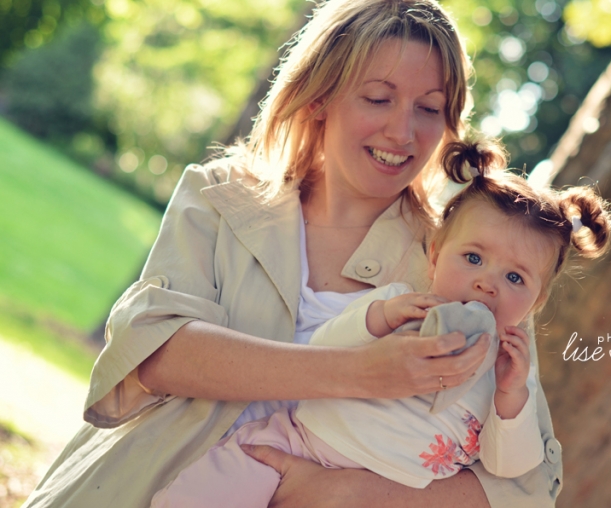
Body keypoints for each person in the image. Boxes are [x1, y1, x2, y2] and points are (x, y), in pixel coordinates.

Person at [23, 1, 563, 507]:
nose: (402, 131)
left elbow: (527, 488)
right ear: (320, 96)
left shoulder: (467, 262)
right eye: (378, 98)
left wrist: (346, 493)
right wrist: (358, 372)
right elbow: (156, 351)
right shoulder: (221, 195)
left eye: (428, 108)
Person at [149, 139, 611, 508]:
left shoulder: (511, 372)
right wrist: (377, 320)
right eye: (473, 258)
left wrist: (511, 398)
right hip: (297, 441)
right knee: (207, 491)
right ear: (435, 256)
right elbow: (322, 348)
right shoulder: (399, 304)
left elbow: (509, 468)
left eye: (515, 278)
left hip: (386, 492)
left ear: (536, 302)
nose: (487, 284)